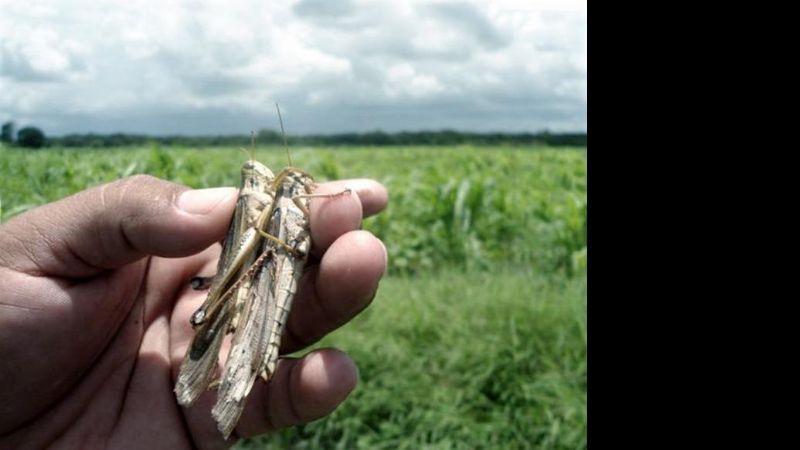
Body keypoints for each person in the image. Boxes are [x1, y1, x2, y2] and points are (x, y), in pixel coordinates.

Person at [0, 174, 389, 449]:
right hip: (254, 265)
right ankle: (223, 357)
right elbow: (257, 241)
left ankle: (241, 360)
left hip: (267, 264)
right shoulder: (260, 204)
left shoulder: (283, 206)